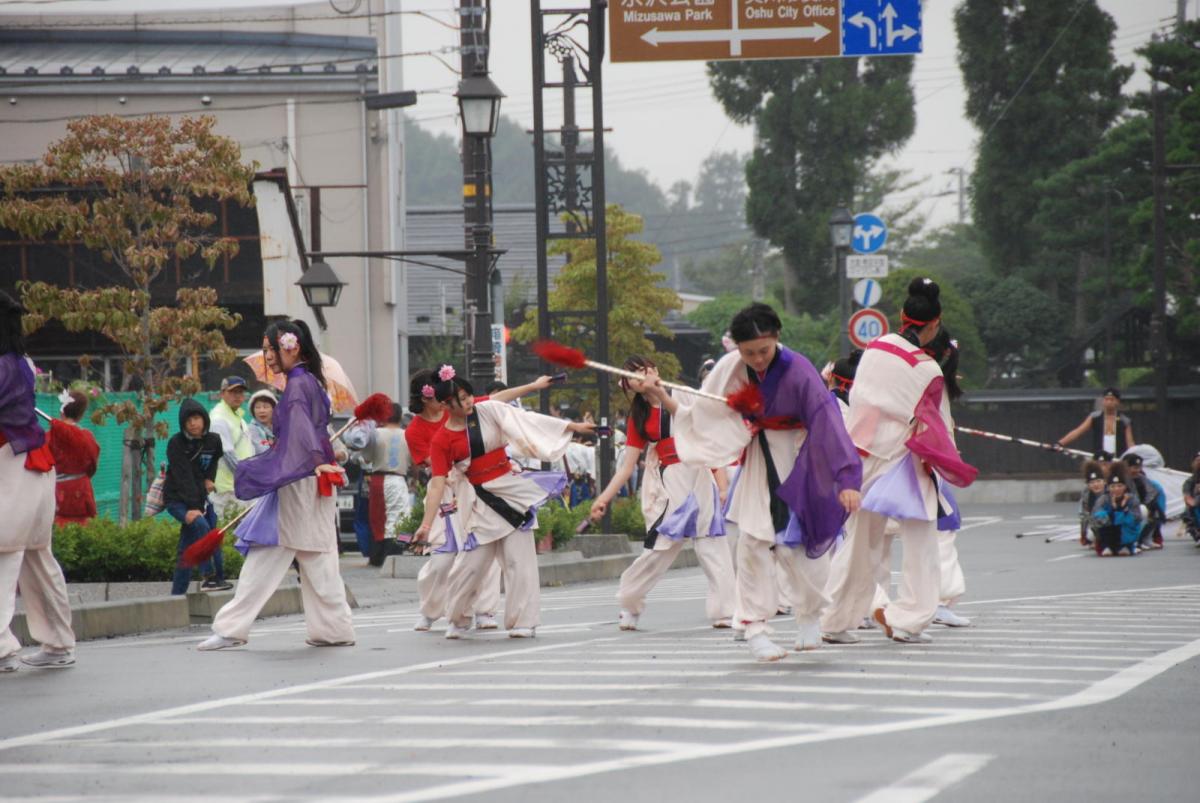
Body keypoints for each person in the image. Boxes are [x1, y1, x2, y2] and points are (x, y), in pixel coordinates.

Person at [658, 302, 863, 662]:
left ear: (777, 338)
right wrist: (657, 393)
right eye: (748, 352)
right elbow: (703, 414)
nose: (756, 359)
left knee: (799, 548)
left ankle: (810, 616)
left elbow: (828, 420)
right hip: (757, 459)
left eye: (763, 351)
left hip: (802, 456)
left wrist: (847, 477)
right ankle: (755, 628)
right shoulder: (730, 368)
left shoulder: (799, 371)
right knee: (752, 543)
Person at [821, 278, 977, 646]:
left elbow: (860, 400)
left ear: (902, 316)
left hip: (865, 455)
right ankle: (908, 618)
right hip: (906, 460)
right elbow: (935, 424)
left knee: (859, 542)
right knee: (921, 541)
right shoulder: (930, 371)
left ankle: (835, 620)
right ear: (935, 324)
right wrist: (948, 458)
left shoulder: (874, 348)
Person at [198, 319, 355, 650]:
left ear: (290, 347)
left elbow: (299, 440)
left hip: (298, 481)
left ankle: (230, 628)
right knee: (319, 557)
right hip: (315, 480)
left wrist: (268, 470)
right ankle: (334, 629)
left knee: (267, 553)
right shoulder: (310, 381)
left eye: (269, 348)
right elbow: (308, 437)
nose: (266, 355)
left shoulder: (298, 385)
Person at [415, 367, 592, 639]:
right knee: (470, 565)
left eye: (467, 396)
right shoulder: (442, 439)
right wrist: (427, 525)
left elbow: (522, 416)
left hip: (511, 490)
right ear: (444, 405)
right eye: (457, 401)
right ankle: (457, 616)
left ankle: (524, 620)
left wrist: (571, 425)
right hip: (479, 501)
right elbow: (438, 482)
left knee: (519, 561)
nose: (466, 403)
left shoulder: (486, 411)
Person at [590, 356, 735, 631]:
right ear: (628, 385)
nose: (642, 375)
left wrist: (723, 484)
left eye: (645, 369)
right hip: (671, 481)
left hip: (700, 474)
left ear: (655, 370)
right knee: (659, 548)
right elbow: (627, 466)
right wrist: (603, 498)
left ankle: (724, 611)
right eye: (633, 375)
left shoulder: (681, 394)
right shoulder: (639, 416)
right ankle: (630, 602)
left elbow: (705, 434)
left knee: (711, 544)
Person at [0, 291, 77, 672]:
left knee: (6, 554)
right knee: (35, 558)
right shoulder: (22, 363)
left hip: (14, 469)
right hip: (31, 469)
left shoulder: (5, 366)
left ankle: (1, 648)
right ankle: (58, 641)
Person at [163, 399, 229, 594]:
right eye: (188, 420)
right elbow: (184, 478)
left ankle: (177, 595)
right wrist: (193, 507)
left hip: (200, 499)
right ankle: (209, 576)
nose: (193, 423)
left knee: (194, 545)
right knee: (202, 526)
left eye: (196, 418)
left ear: (204, 419)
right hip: (177, 500)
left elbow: (215, 459)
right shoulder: (176, 443)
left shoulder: (213, 440)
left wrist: (209, 478)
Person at [362, 402, 413, 561]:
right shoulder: (407, 434)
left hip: (378, 478)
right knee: (400, 518)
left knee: (378, 518)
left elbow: (366, 458)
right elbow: (413, 461)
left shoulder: (375, 433)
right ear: (400, 416)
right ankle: (394, 553)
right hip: (398, 478)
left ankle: (376, 556)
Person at [48, 389, 100, 526]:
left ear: (62, 411)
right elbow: (92, 465)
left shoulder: (48, 438)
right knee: (81, 531)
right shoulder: (87, 438)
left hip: (54, 491)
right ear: (81, 414)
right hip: (81, 491)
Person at [209, 376, 254, 518]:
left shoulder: (236, 416)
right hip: (227, 490)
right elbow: (228, 455)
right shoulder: (219, 418)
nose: (238, 396)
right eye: (233, 392)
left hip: (238, 486)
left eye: (241, 392)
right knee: (230, 534)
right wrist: (249, 478)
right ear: (222, 393)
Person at [1057, 388, 1135, 461]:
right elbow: (1078, 432)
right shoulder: (1095, 417)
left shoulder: (1124, 420)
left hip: (1118, 460)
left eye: (1112, 400)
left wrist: (1134, 458)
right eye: (1106, 399)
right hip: (1099, 459)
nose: (1109, 402)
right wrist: (1060, 443)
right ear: (1103, 401)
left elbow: (1130, 443)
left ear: (1117, 401)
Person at [1092, 463, 1142, 557]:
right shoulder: (1104, 499)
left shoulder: (1132, 499)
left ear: (1125, 487)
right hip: (1108, 530)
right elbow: (1097, 517)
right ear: (1108, 487)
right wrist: (1112, 512)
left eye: (1119, 486)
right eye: (1113, 486)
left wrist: (1121, 509)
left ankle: (1127, 545)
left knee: (1141, 512)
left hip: (1125, 531)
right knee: (1103, 519)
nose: (1116, 489)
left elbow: (1136, 518)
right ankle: (1107, 546)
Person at [1123, 453, 1166, 551]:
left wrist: (1149, 505)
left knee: (1155, 512)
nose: (1136, 471)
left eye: (1139, 467)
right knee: (1142, 511)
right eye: (1134, 467)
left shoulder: (1142, 478)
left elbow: (1151, 492)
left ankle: (1146, 539)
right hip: (1130, 508)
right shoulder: (1123, 480)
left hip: (1143, 506)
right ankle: (1136, 540)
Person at [1077, 461, 1107, 548]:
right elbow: (1084, 515)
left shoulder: (1110, 492)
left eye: (1098, 481)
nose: (1096, 485)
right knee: (1089, 537)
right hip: (1096, 525)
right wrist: (1083, 533)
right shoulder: (1087, 495)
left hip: (1112, 524)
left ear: (1104, 482)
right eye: (1092, 482)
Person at [246, 388, 278, 455]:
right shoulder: (252, 429)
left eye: (266, 407)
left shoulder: (280, 427)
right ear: (253, 411)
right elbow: (263, 451)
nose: (261, 411)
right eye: (257, 407)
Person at [1182, 452, 1200, 545]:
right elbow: (1187, 495)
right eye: (1197, 460)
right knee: (1190, 511)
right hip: (1196, 505)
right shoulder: (1190, 481)